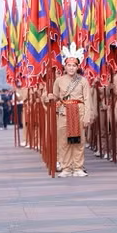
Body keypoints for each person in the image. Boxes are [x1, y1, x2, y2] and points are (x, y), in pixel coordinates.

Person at [48, 44, 93, 176]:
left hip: (79, 111)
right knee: (63, 141)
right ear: (65, 66)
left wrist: (87, 116)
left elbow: (87, 99)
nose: (71, 68)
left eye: (74, 65)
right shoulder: (59, 81)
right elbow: (56, 96)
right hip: (64, 112)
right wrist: (50, 96)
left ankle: (78, 167)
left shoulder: (83, 81)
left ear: (77, 67)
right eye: (69, 65)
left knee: (79, 141)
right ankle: (66, 168)